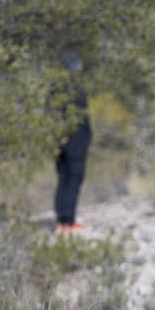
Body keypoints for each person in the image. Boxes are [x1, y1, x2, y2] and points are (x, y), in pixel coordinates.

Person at [53, 58, 92, 235]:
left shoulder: (55, 89)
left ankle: (62, 219)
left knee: (64, 178)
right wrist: (65, 136)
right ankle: (67, 221)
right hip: (74, 141)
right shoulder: (73, 89)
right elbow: (73, 117)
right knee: (73, 179)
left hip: (61, 141)